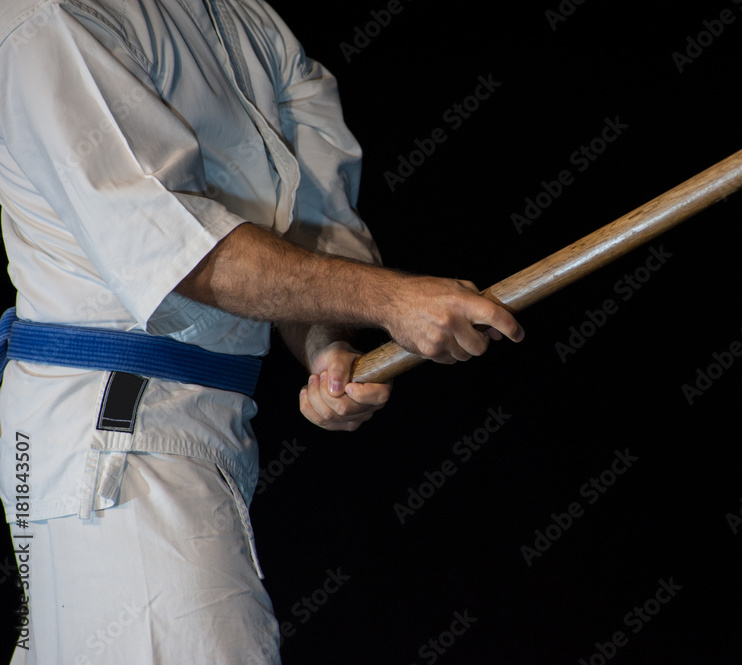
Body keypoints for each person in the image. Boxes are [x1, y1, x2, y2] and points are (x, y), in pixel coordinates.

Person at [0, 0, 523, 662]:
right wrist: (393, 300)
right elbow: (182, 251)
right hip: (113, 441)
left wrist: (327, 347)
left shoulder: (251, 21)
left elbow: (311, 234)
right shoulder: (55, 15)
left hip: (197, 431)